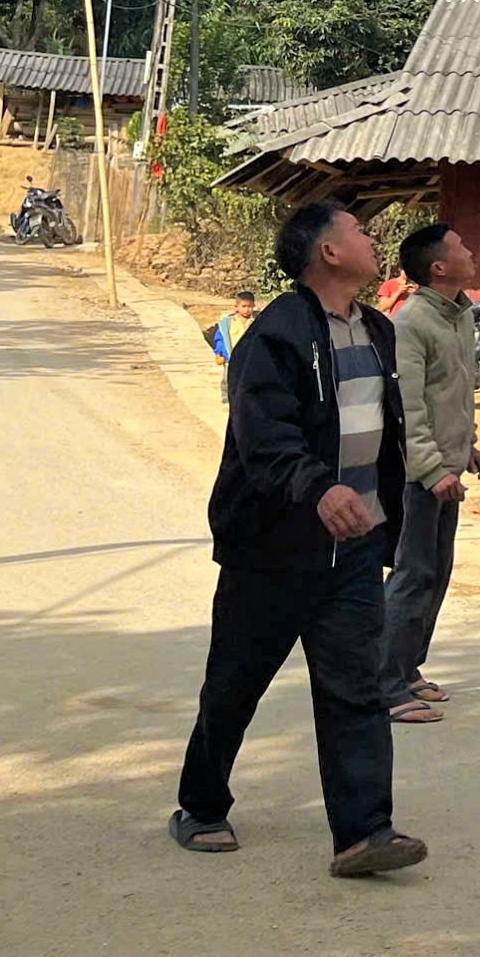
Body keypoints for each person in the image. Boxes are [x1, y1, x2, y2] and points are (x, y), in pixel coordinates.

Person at [171, 200, 428, 877]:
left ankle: (364, 832)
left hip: (354, 550)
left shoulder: (377, 328)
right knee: (235, 684)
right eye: (359, 231)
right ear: (328, 252)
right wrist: (319, 488)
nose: (372, 240)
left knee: (356, 689)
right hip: (272, 551)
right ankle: (200, 805)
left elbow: (387, 427)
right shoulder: (275, 336)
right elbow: (265, 438)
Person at [380, 222, 480, 724]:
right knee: (414, 573)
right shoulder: (412, 321)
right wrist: (429, 468)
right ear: (439, 266)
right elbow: (407, 406)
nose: (471, 251)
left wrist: (467, 445)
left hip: (447, 467)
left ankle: (407, 667)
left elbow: (453, 392)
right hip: (419, 477)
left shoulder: (459, 315)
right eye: (462, 246)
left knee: (437, 572)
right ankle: (385, 683)